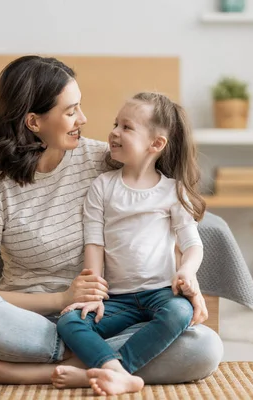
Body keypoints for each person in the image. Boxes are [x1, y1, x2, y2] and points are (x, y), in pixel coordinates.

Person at [0, 55, 223, 386]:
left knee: (204, 347)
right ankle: (94, 358)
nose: (85, 119)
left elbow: (155, 214)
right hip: (30, 322)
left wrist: (189, 285)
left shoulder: (102, 160)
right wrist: (63, 300)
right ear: (34, 122)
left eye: (81, 107)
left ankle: (49, 369)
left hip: (108, 315)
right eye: (71, 111)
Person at [54, 92, 205, 395]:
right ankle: (116, 372)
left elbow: (193, 245)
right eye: (115, 124)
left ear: (156, 144)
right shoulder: (102, 186)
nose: (114, 132)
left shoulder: (173, 192)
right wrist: (94, 294)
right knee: (69, 322)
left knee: (180, 313)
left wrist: (187, 272)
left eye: (126, 127)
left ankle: (111, 371)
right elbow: (94, 244)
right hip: (116, 299)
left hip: (161, 293)